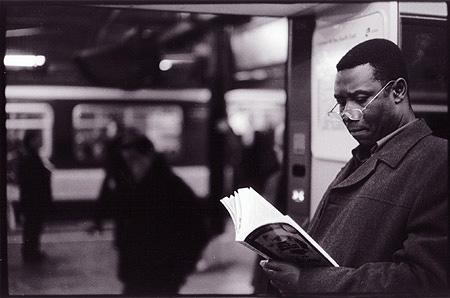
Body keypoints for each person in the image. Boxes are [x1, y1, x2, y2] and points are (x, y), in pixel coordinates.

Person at [260, 39, 448, 294]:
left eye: (360, 98)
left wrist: (306, 282)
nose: (348, 113)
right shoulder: (363, 156)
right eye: (340, 102)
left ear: (398, 91)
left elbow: (426, 280)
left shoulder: (437, 160)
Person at [110, 133, 209, 295]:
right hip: (140, 274)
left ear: (148, 157)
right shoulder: (138, 186)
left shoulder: (172, 188)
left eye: (133, 160)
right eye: (127, 161)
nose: (130, 166)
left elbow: (198, 231)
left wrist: (178, 268)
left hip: (161, 276)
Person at [17, 130, 53, 263]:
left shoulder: (31, 156)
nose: (41, 140)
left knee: (33, 226)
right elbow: (33, 179)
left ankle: (32, 250)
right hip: (33, 200)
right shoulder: (30, 157)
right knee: (32, 226)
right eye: (38, 138)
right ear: (32, 140)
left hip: (32, 199)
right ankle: (30, 252)